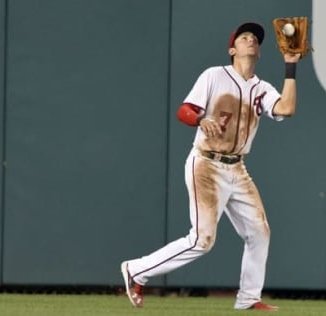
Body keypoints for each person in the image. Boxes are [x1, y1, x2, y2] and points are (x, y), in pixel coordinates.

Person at [121, 21, 301, 311]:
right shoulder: (215, 76)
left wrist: (291, 66)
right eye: (244, 37)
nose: (251, 40)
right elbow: (184, 110)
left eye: (255, 38)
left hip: (237, 169)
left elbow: (287, 109)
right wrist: (199, 119)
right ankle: (136, 270)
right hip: (206, 163)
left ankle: (248, 298)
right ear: (232, 49)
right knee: (202, 240)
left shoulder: (262, 88)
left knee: (259, 232)